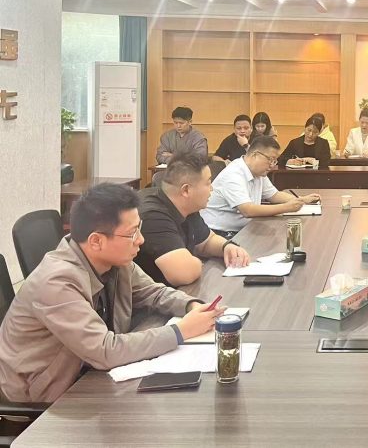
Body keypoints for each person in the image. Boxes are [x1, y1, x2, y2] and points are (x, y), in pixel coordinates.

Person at [0, 183, 223, 403]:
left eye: (139, 228)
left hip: (86, 370)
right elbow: (105, 350)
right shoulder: (56, 282)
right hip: (42, 393)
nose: (141, 240)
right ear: (96, 241)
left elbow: (154, 293)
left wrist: (191, 306)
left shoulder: (116, 261)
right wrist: (181, 331)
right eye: (132, 233)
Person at [137, 153, 251, 286]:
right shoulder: (153, 215)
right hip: (148, 297)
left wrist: (227, 247)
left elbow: (206, 241)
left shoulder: (186, 205)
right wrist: (196, 261)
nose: (212, 189)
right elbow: (183, 273)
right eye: (208, 183)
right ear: (186, 190)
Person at [200, 135, 320, 234]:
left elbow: (274, 195)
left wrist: (301, 200)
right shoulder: (233, 174)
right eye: (270, 159)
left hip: (244, 228)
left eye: (275, 161)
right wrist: (287, 207)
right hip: (220, 233)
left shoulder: (258, 172)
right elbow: (248, 210)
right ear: (255, 155)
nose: (272, 165)